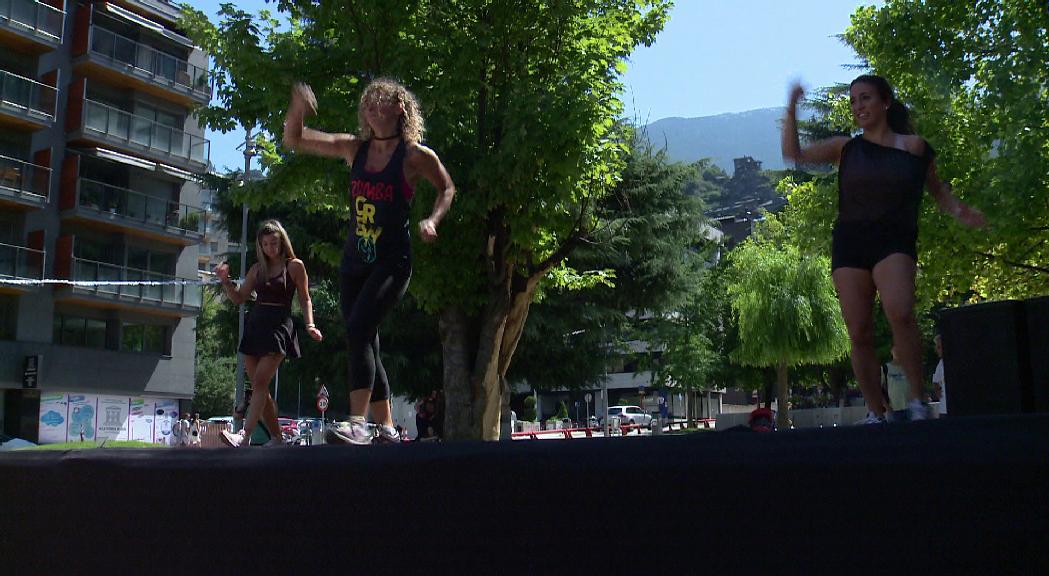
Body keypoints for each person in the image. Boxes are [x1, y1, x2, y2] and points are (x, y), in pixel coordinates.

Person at [782, 75, 986, 424]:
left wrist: (960, 211)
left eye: (866, 98)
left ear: (885, 102)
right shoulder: (846, 148)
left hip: (894, 240)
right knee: (858, 331)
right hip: (850, 243)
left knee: (900, 312)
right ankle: (877, 412)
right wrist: (791, 107)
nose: (859, 106)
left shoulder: (915, 147)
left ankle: (919, 401)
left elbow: (938, 192)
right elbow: (794, 154)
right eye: (853, 101)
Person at [283, 79, 456, 444]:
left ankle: (357, 423)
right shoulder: (354, 148)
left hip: (392, 262)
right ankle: (389, 429)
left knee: (359, 329)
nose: (372, 108)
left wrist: (432, 219)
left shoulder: (413, 156)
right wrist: (297, 107)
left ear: (400, 109)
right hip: (354, 263)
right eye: (368, 104)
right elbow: (295, 139)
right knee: (366, 340)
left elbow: (447, 187)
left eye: (381, 102)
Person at [215, 220, 324, 447]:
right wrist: (225, 281)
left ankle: (244, 435)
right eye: (265, 244)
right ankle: (277, 438)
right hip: (255, 327)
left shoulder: (294, 266)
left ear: (282, 241)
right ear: (260, 246)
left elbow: (305, 298)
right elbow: (238, 298)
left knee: (260, 381)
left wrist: (310, 325)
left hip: (279, 328)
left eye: (274, 242)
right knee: (259, 387)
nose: (270, 248)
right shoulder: (257, 269)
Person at [932, 333, 946, 417]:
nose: (936, 350)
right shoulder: (941, 363)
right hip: (944, 409)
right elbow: (935, 381)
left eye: (939, 347)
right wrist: (938, 393)